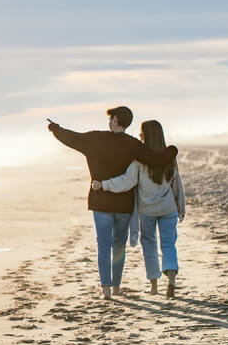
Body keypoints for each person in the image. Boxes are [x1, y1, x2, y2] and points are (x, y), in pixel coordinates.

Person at [48, 107, 178, 300]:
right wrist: (173, 150)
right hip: (123, 205)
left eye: (111, 118)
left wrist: (55, 128)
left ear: (115, 120)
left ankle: (106, 290)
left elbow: (71, 138)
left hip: (100, 202)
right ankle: (117, 287)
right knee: (119, 246)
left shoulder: (94, 139)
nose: (109, 121)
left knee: (103, 245)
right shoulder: (133, 145)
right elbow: (157, 160)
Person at [92, 119, 185, 298]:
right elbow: (177, 185)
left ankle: (154, 285)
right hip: (168, 209)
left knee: (149, 245)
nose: (139, 135)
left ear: (146, 136)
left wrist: (104, 184)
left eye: (142, 132)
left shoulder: (139, 160)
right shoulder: (169, 159)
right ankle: (171, 281)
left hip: (147, 210)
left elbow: (126, 182)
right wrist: (181, 208)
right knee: (168, 244)